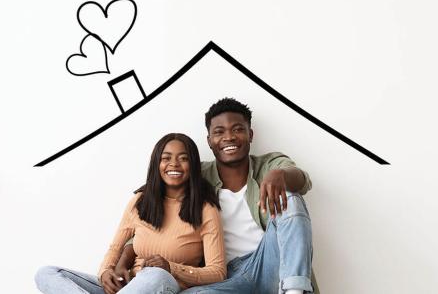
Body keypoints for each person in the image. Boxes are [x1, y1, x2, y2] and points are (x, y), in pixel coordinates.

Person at [119, 97, 316, 293]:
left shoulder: (268, 166)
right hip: (223, 278)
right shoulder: (195, 176)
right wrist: (122, 264)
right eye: (219, 132)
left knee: (291, 198)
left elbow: (302, 180)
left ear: (251, 135)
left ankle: (294, 291)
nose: (229, 137)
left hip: (269, 262)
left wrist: (281, 175)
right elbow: (146, 218)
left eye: (238, 129)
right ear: (209, 141)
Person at [35, 133, 227, 294]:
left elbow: (218, 272)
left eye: (183, 158)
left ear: (192, 165)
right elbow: (115, 248)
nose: (174, 164)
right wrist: (105, 273)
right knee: (47, 273)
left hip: (162, 285)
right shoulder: (140, 201)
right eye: (166, 158)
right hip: (127, 285)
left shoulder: (206, 208)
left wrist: (171, 267)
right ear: (156, 164)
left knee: (155, 274)